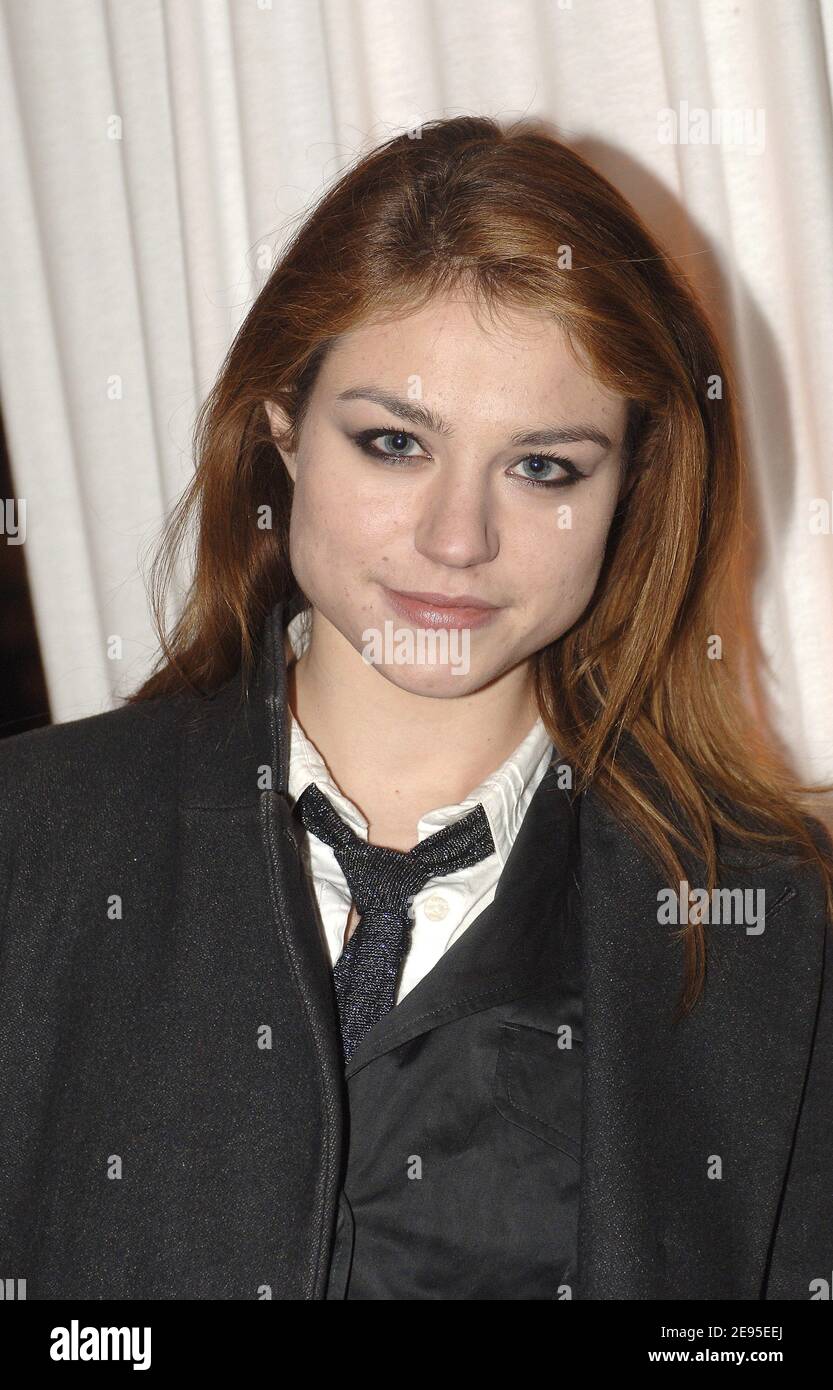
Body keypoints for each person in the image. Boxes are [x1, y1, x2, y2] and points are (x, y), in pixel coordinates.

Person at [1, 115, 832, 1302]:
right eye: (394, 442)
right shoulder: (31, 842)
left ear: (630, 486)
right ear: (282, 431)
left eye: (542, 465)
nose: (457, 539)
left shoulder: (770, 925)